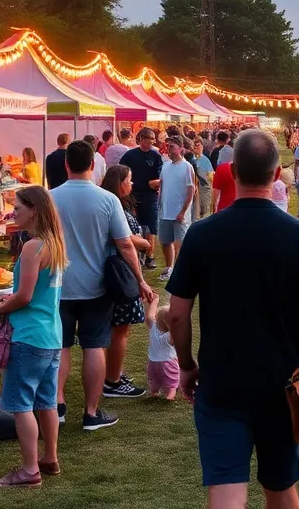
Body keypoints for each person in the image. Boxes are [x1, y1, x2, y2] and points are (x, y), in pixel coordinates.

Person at [166, 128, 299, 508]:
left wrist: (187, 366)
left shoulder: (201, 234)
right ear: (277, 174)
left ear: (232, 172)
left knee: (226, 487)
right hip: (283, 382)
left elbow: (177, 315)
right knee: (280, 484)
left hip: (221, 381)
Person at [52, 140, 148, 431]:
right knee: (94, 346)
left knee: (60, 346)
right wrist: (140, 280)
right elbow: (125, 244)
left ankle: (57, 405)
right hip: (96, 286)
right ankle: (91, 412)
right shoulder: (107, 200)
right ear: (93, 165)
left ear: (66, 164)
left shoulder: (50, 197)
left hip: (58, 284)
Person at [0, 187, 66, 488]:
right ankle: (50, 458)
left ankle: (29, 470)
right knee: (46, 402)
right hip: (50, 334)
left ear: (34, 210)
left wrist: (0, 309)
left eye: (18, 208)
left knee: (21, 404)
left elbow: (24, 296)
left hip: (28, 334)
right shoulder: (54, 243)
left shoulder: (33, 246)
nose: (14, 213)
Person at [99, 165, 154, 400]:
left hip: (117, 272)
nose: (131, 184)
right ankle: (112, 381)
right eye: (128, 180)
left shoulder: (110, 203)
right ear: (119, 182)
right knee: (120, 329)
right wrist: (143, 243)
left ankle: (114, 374)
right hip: (121, 274)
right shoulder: (114, 205)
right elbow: (122, 239)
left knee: (118, 329)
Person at [120, 128, 163, 270]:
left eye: (151, 142)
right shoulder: (130, 155)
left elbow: (160, 174)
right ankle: (137, 255)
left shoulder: (155, 156)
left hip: (150, 196)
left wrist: (156, 183)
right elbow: (121, 173)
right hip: (133, 195)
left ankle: (150, 256)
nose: (148, 145)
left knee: (151, 227)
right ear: (140, 140)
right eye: (146, 141)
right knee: (134, 226)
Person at [158, 136, 196, 281]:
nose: (169, 149)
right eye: (168, 146)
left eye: (172, 147)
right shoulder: (165, 166)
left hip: (179, 213)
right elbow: (162, 186)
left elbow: (191, 190)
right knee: (165, 242)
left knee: (179, 243)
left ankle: (181, 271)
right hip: (165, 211)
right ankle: (169, 268)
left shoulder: (186, 167)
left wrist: (183, 211)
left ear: (181, 149)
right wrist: (160, 205)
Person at [144, 293, 179, 400]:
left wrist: (155, 301)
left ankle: (154, 391)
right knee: (171, 380)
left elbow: (149, 316)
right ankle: (170, 393)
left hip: (153, 362)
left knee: (154, 379)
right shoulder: (168, 336)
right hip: (168, 362)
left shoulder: (153, 328)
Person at [192, 139, 214, 220]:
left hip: (205, 189)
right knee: (196, 213)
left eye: (198, 146)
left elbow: (211, 176)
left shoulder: (205, 160)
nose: (196, 148)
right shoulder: (191, 160)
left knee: (206, 212)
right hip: (194, 189)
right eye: (195, 146)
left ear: (202, 147)